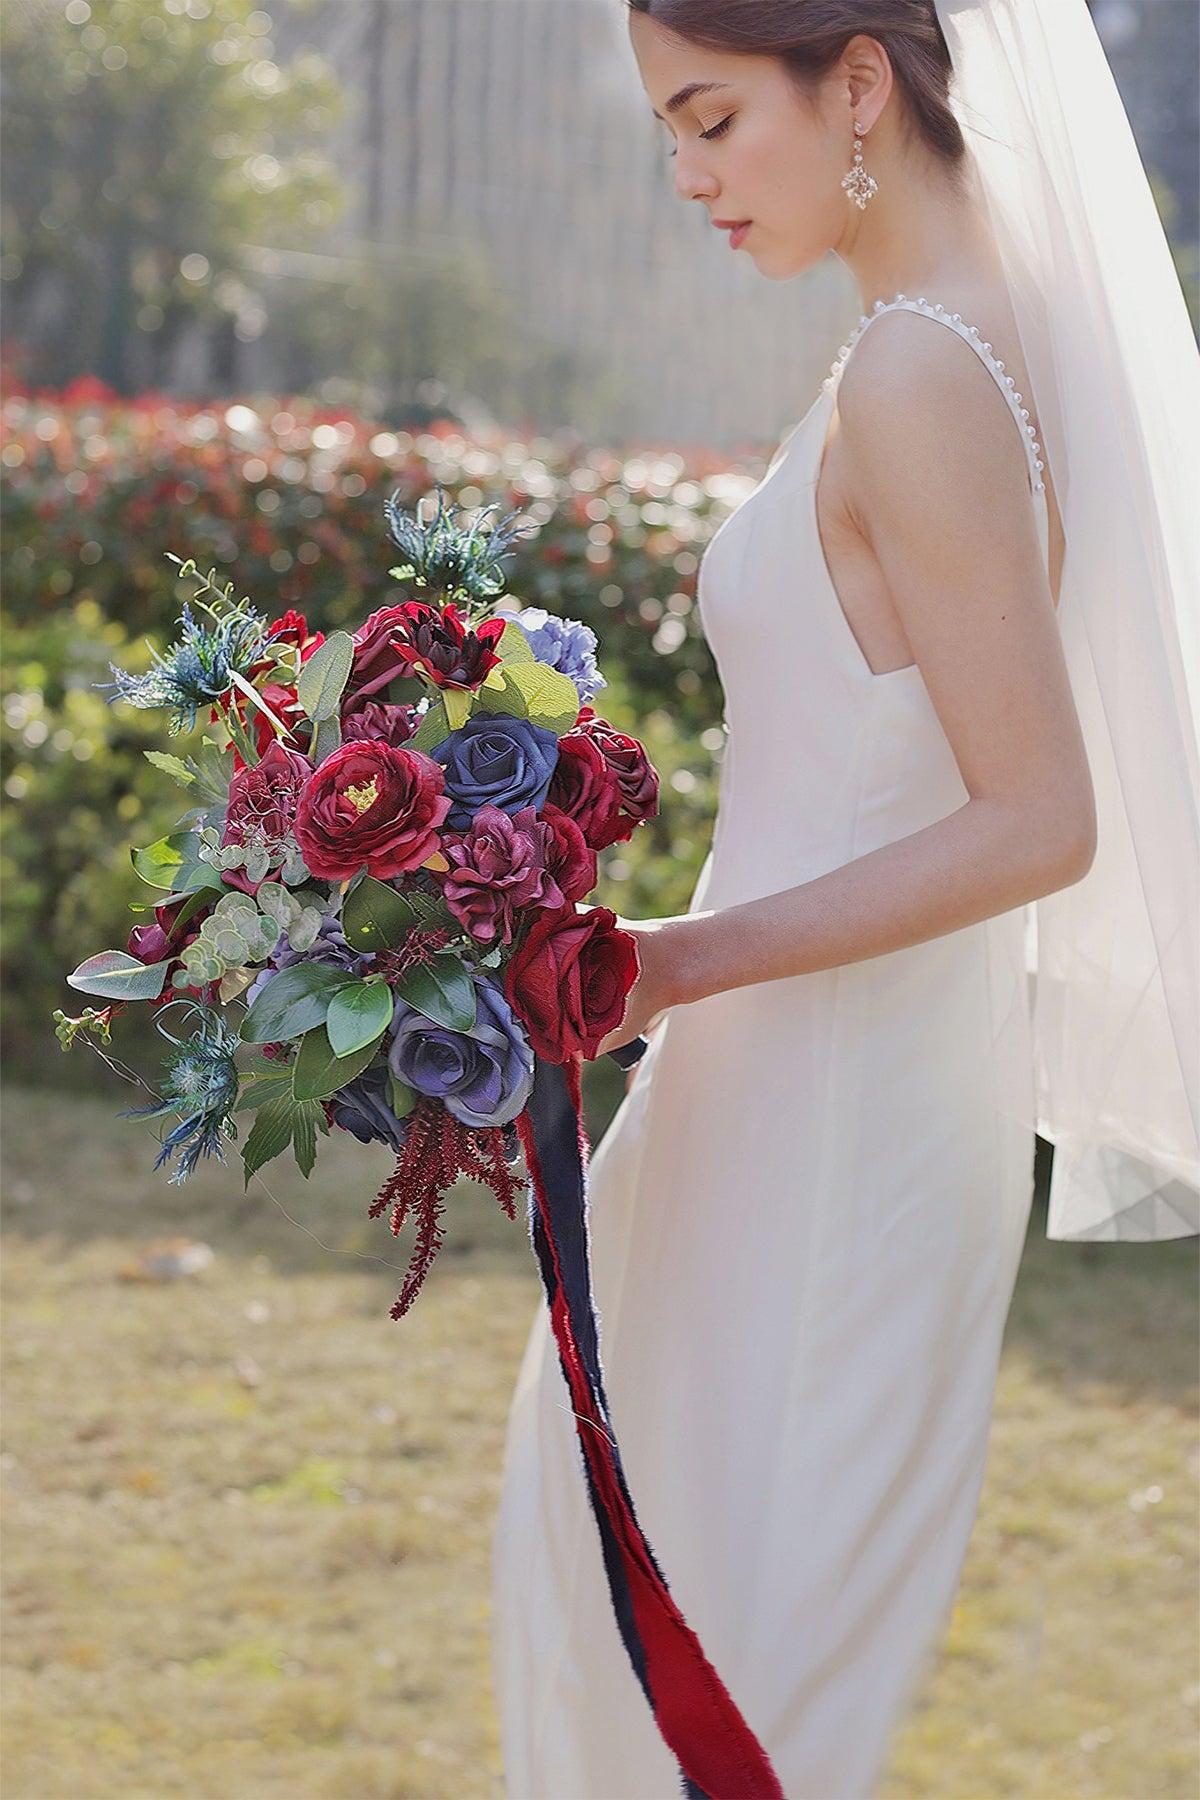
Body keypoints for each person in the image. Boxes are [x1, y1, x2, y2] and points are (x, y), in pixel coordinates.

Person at [491, 2, 1199, 1794]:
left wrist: (673, 962)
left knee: (725, 1690)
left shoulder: (922, 370)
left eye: (717, 119)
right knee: (687, 1646)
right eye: (670, 129)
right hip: (804, 1092)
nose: (689, 176)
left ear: (862, 78)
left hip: (833, 1121)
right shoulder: (950, 332)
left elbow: (1039, 818)